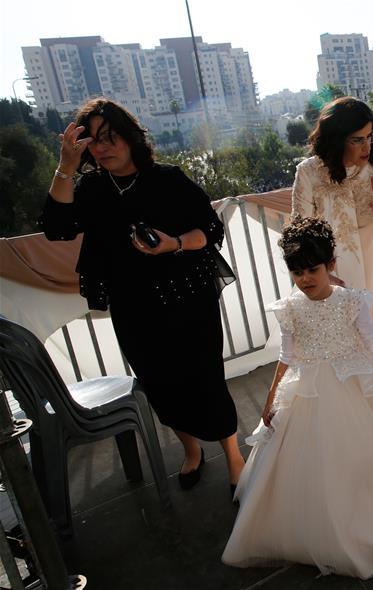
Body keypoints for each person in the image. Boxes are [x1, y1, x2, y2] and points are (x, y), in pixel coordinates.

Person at [222, 217, 373, 577]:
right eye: (297, 271)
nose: (305, 278)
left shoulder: (351, 301)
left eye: (313, 269)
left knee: (366, 453)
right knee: (307, 460)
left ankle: (371, 514)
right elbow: (286, 356)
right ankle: (315, 526)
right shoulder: (290, 307)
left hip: (351, 383)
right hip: (308, 388)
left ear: (331, 265)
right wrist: (271, 398)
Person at [40, 98, 244, 493]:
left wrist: (174, 244)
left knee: (205, 380)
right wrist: (65, 166)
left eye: (110, 136)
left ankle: (234, 457)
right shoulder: (91, 188)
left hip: (188, 300)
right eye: (93, 140)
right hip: (134, 308)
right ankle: (192, 451)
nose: (101, 147)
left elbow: (209, 230)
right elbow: (57, 228)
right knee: (160, 384)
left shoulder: (168, 179)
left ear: (131, 138)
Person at [292, 97, 373, 362]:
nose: (367, 146)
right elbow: (298, 238)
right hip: (335, 279)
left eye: (370, 136)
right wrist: (321, 278)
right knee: (346, 355)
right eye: (357, 139)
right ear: (336, 139)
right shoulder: (309, 172)